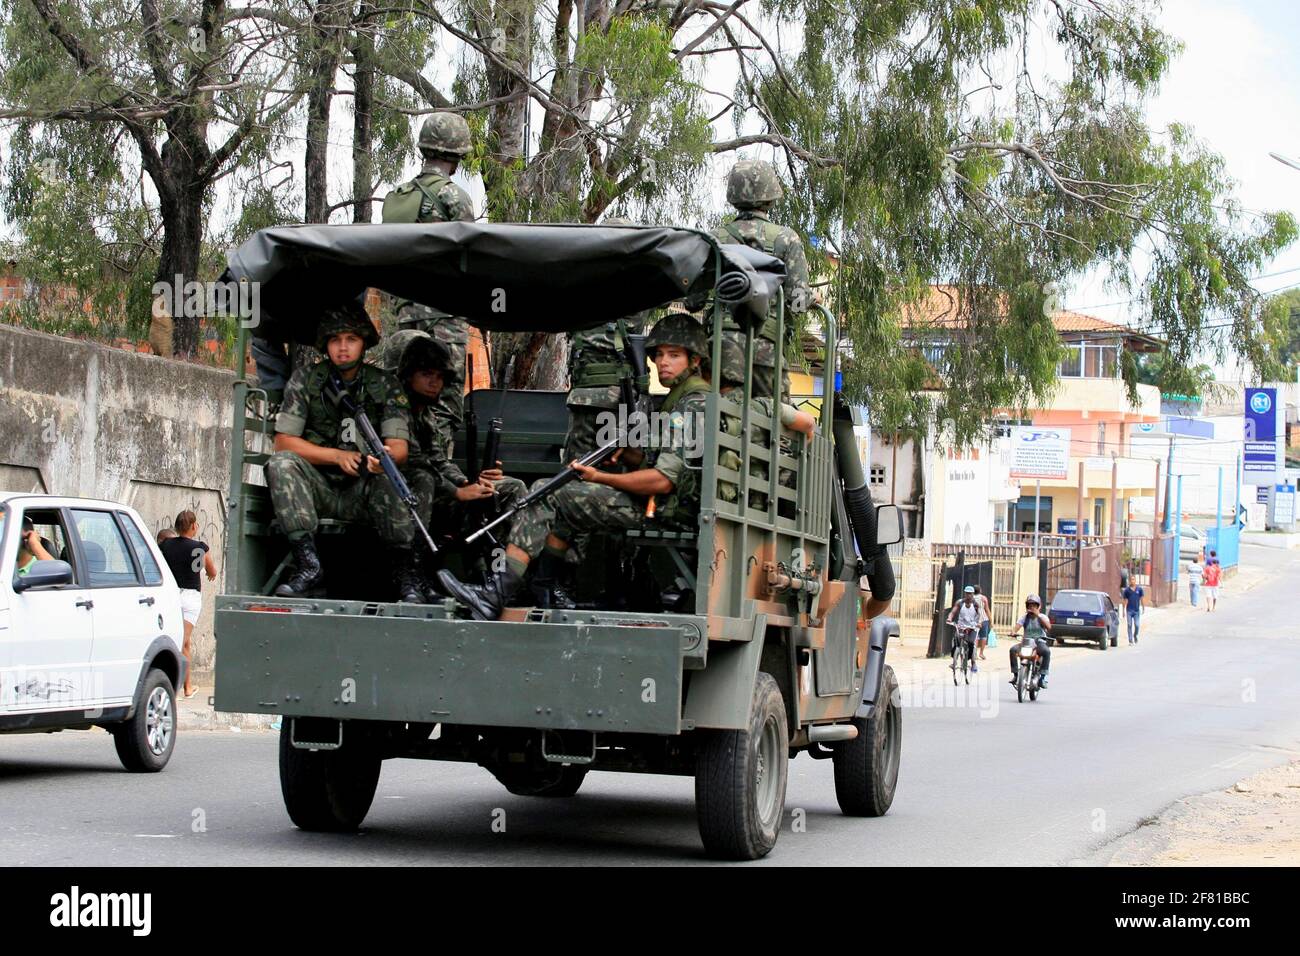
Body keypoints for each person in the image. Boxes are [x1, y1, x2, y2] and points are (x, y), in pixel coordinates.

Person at [436, 314, 711, 620]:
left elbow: (662, 481)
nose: (663, 363)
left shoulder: (693, 403)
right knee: (558, 494)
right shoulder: (683, 398)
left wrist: (601, 476)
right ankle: (544, 588)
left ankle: (497, 594)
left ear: (695, 359)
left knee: (547, 493)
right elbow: (661, 462)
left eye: (674, 355)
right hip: (665, 505)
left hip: (666, 510)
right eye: (658, 354)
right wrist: (627, 455)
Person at [266, 304, 423, 603]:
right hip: (317, 488)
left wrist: (383, 460)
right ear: (325, 343)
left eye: (351, 339)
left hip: (363, 490)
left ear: (363, 342)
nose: (342, 347)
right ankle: (308, 564)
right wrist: (335, 456)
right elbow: (284, 442)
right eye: (335, 339)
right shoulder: (307, 380)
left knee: (391, 475)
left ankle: (406, 574)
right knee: (282, 464)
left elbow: (399, 448)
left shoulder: (384, 385)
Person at [376, 330, 527, 577]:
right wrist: (458, 491)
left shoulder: (426, 414)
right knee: (424, 482)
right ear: (407, 374)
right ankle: (416, 574)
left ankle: (500, 574)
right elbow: (417, 465)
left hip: (436, 491)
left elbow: (438, 461)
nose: (434, 383)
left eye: (439, 377)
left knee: (511, 488)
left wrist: (469, 482)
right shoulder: (393, 410)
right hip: (405, 493)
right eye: (426, 374)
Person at [382, 111, 476, 450]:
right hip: (445, 321)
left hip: (404, 319)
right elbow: (470, 257)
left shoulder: (397, 197)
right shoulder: (454, 197)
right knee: (444, 407)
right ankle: (437, 479)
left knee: (403, 398)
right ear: (457, 156)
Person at [710, 159, 813, 400]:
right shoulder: (786, 239)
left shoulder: (714, 238)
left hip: (717, 350)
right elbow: (797, 304)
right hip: (765, 351)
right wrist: (811, 297)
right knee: (774, 426)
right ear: (771, 195)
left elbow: (694, 300)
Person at [158, 511, 218, 698]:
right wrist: (210, 574)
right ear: (193, 526)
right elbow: (211, 570)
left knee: (180, 640)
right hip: (190, 598)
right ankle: (182, 688)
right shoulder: (199, 547)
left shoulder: (166, 544)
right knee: (183, 641)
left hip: (170, 596)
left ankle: (185, 687)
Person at [1008, 593, 1053, 688]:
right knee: (1013, 650)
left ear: (1038, 607)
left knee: (1046, 652)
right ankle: (1016, 675)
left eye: (1034, 605)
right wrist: (1013, 632)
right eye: (1029, 605)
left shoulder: (1042, 617)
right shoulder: (1024, 618)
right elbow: (1017, 627)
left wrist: (1038, 616)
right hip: (1026, 642)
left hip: (1039, 642)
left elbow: (1049, 627)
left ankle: (1042, 678)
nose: (1031, 607)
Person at [946, 585, 985, 673]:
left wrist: (979, 623)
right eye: (967, 593)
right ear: (965, 593)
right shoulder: (960, 603)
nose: (968, 595)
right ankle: (954, 661)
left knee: (971, 643)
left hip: (972, 627)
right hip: (961, 626)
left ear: (973, 594)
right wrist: (949, 618)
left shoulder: (976, 604)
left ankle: (973, 662)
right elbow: (953, 612)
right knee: (956, 640)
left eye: (970, 594)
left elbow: (981, 615)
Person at [1120, 580, 1144, 645]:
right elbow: (1124, 600)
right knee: (1129, 625)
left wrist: (1143, 607)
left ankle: (1135, 635)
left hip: (1136, 611)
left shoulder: (1139, 589)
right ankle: (1130, 640)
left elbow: (1141, 598)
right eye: (1131, 580)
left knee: (1137, 625)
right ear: (1130, 581)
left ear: (1135, 581)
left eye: (1133, 580)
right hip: (1129, 611)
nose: (1132, 581)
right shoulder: (1127, 590)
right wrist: (1123, 611)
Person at [973, 584, 992, 659]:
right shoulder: (983, 598)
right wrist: (991, 620)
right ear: (980, 590)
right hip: (984, 619)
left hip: (975, 619)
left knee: (976, 637)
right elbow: (987, 609)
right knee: (984, 637)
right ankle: (981, 653)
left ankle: (975, 653)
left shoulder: (971, 598)